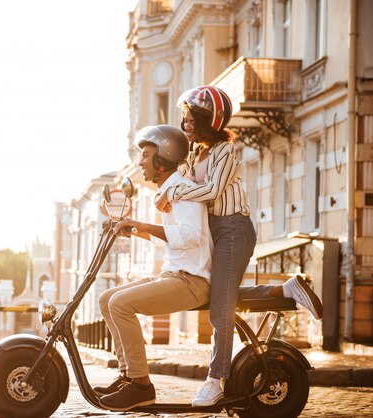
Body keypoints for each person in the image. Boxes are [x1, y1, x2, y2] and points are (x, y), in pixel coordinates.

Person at [156, 85, 323, 407]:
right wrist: (164, 193)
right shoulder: (194, 154)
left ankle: (216, 380)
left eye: (190, 118)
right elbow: (183, 185)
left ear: (208, 119)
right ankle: (285, 291)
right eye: (184, 118)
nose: (185, 123)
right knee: (214, 296)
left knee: (221, 311)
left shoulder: (225, 153)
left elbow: (212, 192)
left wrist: (172, 195)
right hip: (213, 230)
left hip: (233, 229)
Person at [95, 124, 213, 411]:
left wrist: (143, 224)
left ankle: (141, 386)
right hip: (175, 276)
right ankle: (128, 375)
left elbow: (191, 235)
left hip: (191, 281)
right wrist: (135, 231)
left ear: (162, 158)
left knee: (121, 304)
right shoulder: (169, 191)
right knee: (107, 299)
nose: (140, 163)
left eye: (145, 156)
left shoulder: (182, 191)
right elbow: (170, 240)